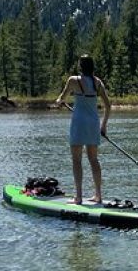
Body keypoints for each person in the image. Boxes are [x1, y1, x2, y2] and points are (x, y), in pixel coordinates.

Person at [55, 54, 112, 204]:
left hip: (79, 123)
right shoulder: (97, 82)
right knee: (94, 159)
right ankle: (98, 195)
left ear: (80, 67)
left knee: (76, 160)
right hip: (93, 123)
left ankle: (78, 197)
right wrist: (103, 125)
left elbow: (62, 98)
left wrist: (59, 101)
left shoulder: (73, 80)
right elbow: (108, 106)